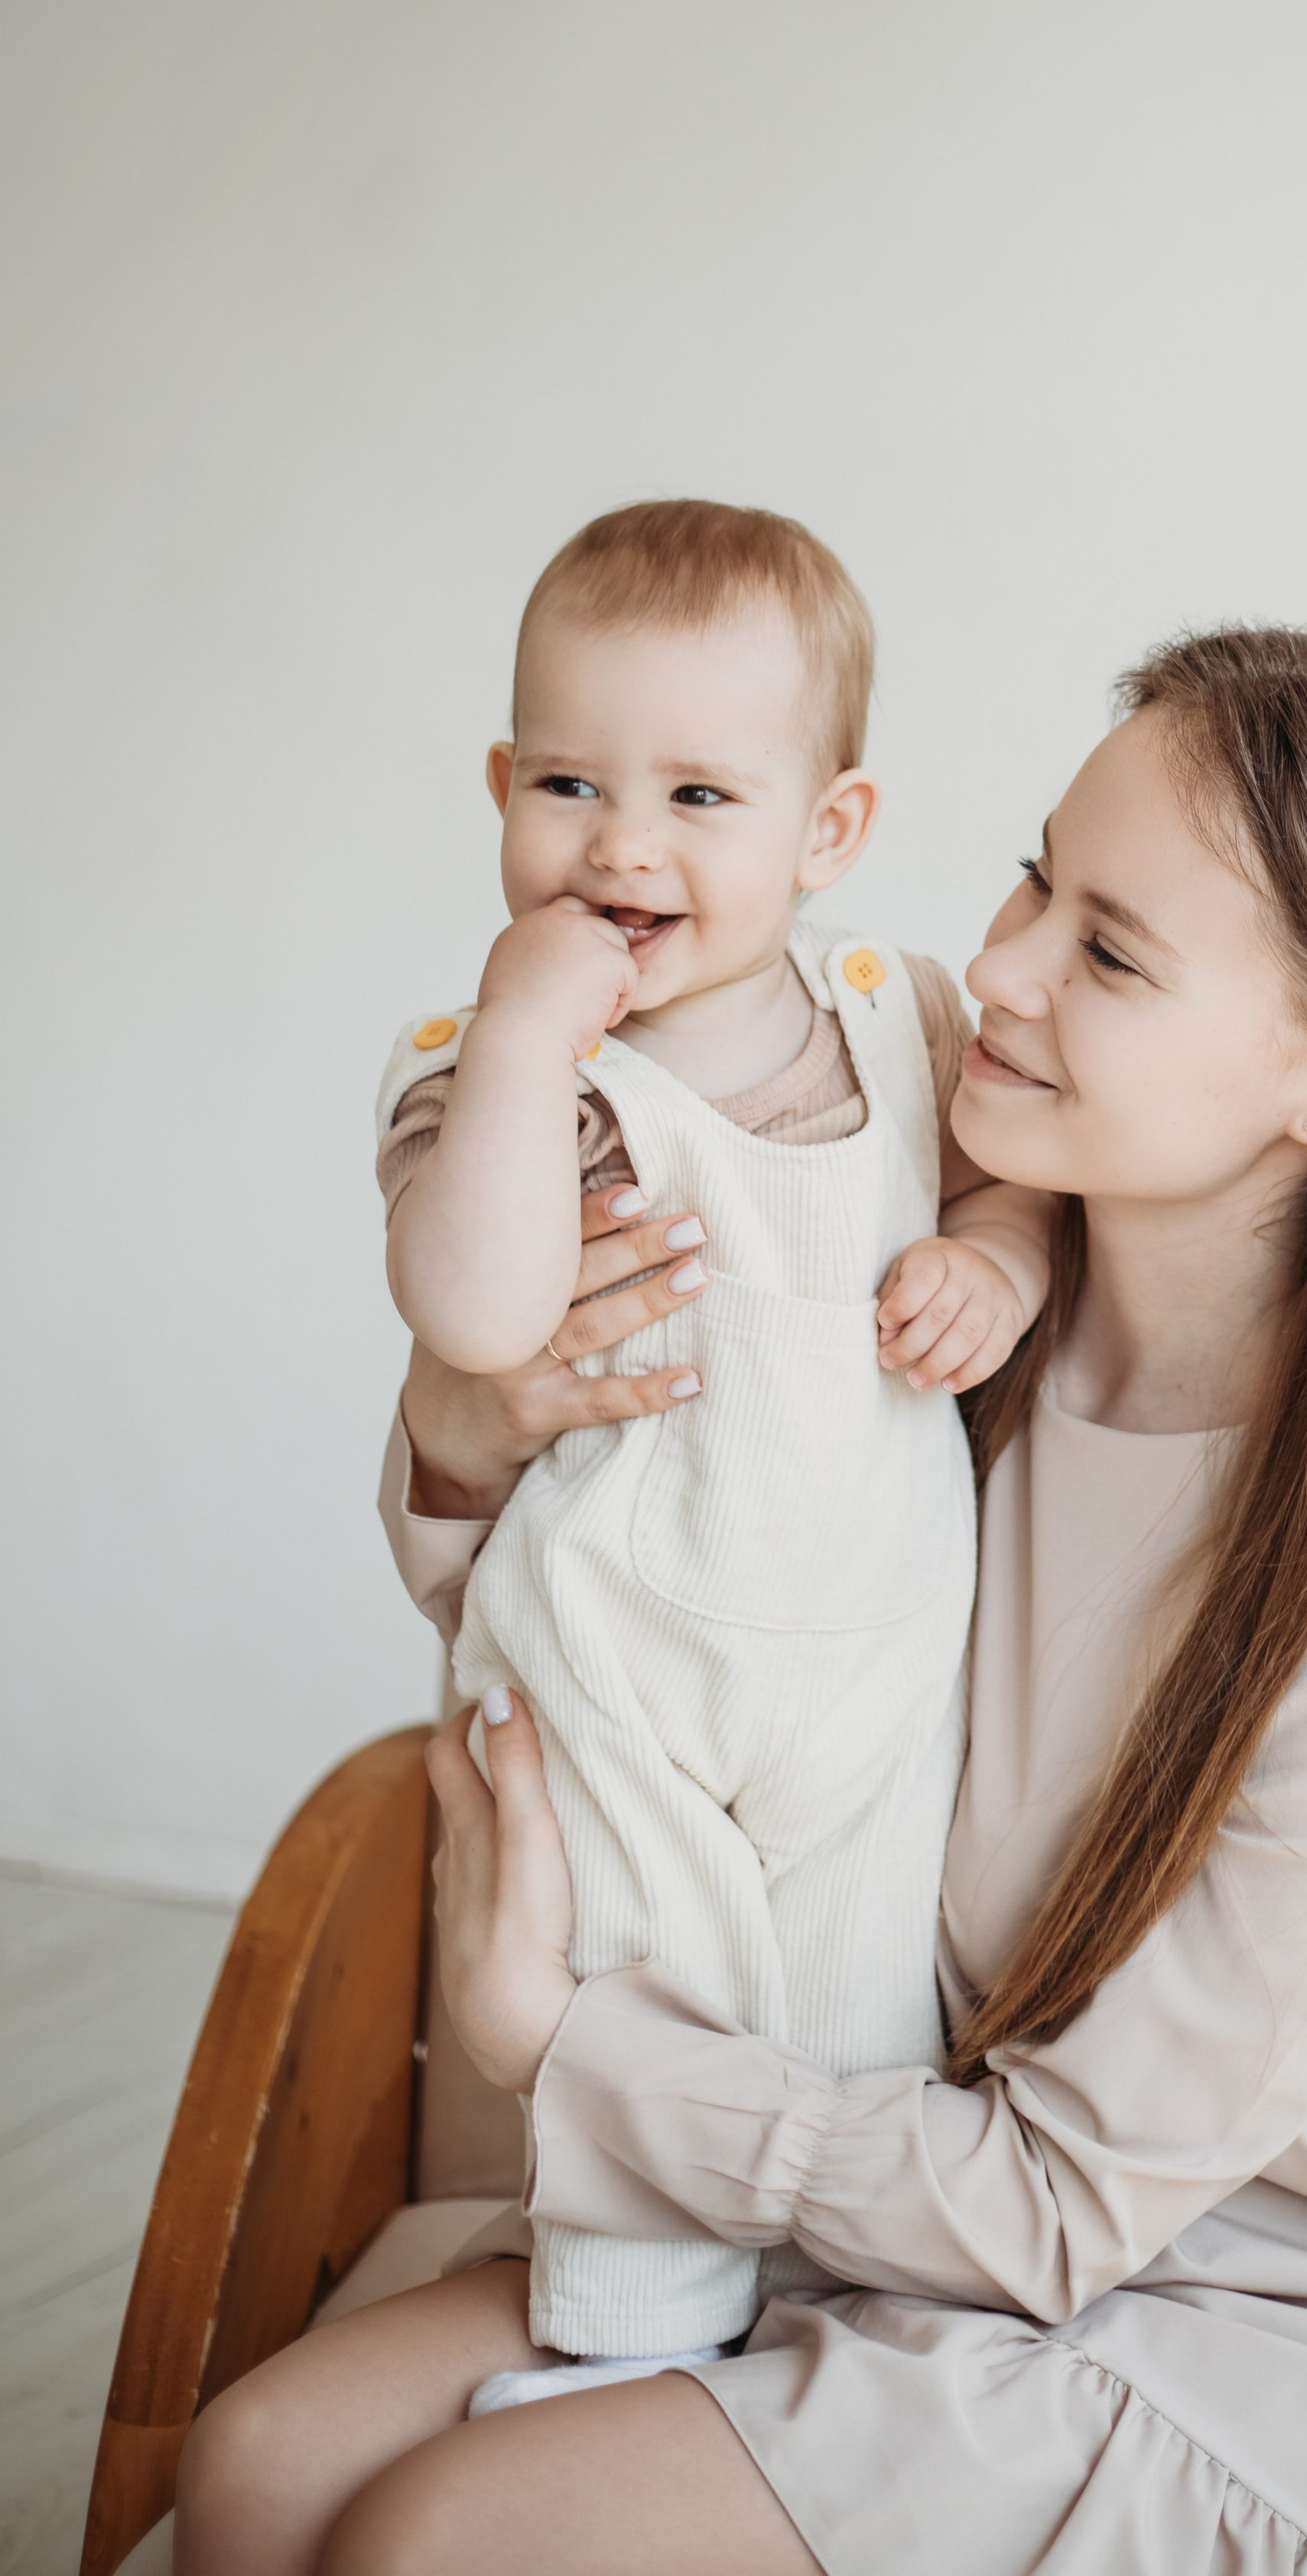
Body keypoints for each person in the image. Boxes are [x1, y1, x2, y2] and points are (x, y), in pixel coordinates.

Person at [179, 624, 1307, 2576]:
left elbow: (1055, 2212)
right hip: (873, 2167)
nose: (1001, 966)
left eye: (1109, 954)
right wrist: (465, 1422)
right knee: (257, 2470)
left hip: (1245, 2344)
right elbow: (615, 1644)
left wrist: (562, 2043)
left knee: (443, 2534)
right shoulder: (939, 1306)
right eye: (1038, 875)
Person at [372, 498, 1050, 2383]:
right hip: (617, 1655)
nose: (618, 846)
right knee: (641, 1991)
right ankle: (621, 2360)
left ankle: (843, 2358)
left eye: (696, 798)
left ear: (826, 832)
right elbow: (481, 1315)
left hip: (874, 1657)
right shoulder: (496, 1070)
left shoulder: (900, 1020)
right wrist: (520, 1044)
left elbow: (1017, 1190)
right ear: (502, 788)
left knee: (855, 2027)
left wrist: (991, 1257)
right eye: (570, 784)